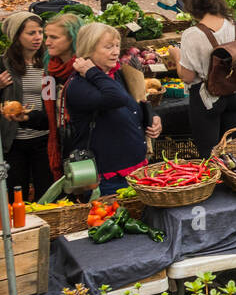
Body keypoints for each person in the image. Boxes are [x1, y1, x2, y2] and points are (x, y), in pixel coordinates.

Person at [64, 22, 162, 195]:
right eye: (108, 47)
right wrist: (93, 71)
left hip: (136, 170)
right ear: (89, 49)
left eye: (117, 45)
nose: (116, 52)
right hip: (107, 178)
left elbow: (134, 105)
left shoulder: (116, 75)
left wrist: (152, 117)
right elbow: (118, 98)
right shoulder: (79, 85)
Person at [176, 0, 236, 158]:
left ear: (190, 5)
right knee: (234, 151)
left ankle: (216, 185)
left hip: (206, 98)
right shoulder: (234, 24)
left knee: (209, 154)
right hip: (234, 92)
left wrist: (175, 56)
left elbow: (188, 77)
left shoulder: (192, 34)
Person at [1, 12, 53, 200]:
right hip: (14, 141)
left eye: (40, 32)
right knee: (16, 194)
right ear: (16, 36)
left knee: (46, 193)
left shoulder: (47, 64)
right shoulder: (3, 64)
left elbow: (50, 100)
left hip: (43, 138)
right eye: (31, 33)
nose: (38, 37)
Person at [40, 13, 82, 180]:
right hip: (62, 145)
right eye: (47, 36)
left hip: (86, 148)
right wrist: (26, 117)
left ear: (72, 38)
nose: (47, 42)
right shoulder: (49, 71)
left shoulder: (87, 69)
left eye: (54, 37)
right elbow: (47, 116)